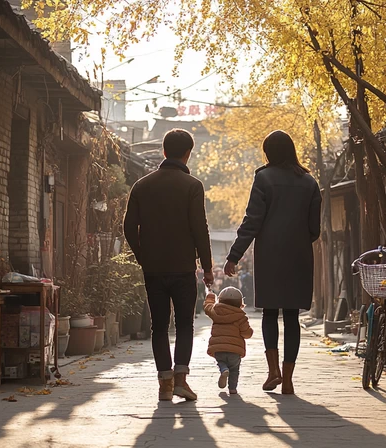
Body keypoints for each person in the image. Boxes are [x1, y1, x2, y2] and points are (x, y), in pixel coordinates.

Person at [224, 130, 322, 395]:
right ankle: (288, 379)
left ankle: (272, 372)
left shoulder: (264, 178)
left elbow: (252, 220)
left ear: (268, 153)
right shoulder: (309, 182)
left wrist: (234, 255)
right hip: (299, 255)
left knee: (269, 312)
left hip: (269, 255)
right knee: (291, 316)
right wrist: (298, 239)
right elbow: (315, 229)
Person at [124, 128, 214, 402]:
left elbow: (128, 227)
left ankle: (164, 384)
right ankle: (181, 381)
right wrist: (207, 266)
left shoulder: (142, 185)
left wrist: (142, 256)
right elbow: (200, 228)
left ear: (163, 151)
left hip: (154, 269)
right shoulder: (192, 186)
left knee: (159, 326)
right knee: (185, 325)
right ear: (188, 153)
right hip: (184, 268)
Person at [203, 286, 253, 395]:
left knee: (221, 362)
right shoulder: (241, 317)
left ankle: (223, 369)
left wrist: (210, 296)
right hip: (234, 350)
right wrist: (250, 331)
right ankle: (233, 388)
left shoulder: (215, 311)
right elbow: (246, 333)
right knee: (235, 369)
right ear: (240, 303)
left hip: (218, 348)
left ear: (220, 300)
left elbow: (207, 307)